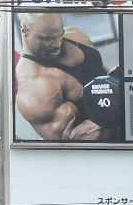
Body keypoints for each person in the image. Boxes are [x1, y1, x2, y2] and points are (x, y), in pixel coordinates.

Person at [14, 12, 114, 142]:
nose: (57, 44)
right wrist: (120, 112)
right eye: (47, 39)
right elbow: (74, 141)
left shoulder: (77, 36)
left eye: (59, 35)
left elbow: (104, 72)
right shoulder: (34, 89)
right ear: (24, 31)